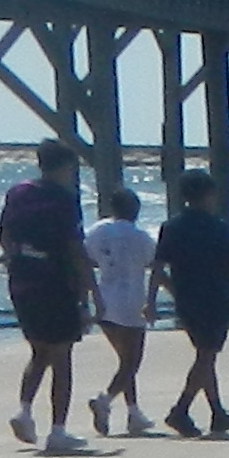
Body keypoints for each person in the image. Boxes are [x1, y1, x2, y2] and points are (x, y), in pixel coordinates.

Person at [0, 143, 94, 453]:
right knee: (61, 355)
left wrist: (15, 263)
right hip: (54, 279)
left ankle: (24, 411)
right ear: (64, 166)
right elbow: (74, 249)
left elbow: (5, 238)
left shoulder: (18, 193)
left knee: (39, 350)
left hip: (23, 277)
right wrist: (88, 292)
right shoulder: (64, 200)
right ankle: (58, 430)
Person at [153, 168, 229, 437]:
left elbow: (159, 268)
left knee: (205, 354)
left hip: (186, 299)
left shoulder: (171, 227)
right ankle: (180, 410)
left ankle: (218, 413)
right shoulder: (216, 227)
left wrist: (155, 299)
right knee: (206, 355)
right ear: (207, 194)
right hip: (215, 297)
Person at [82, 181, 158, 436]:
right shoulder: (142, 238)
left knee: (124, 361)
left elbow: (86, 258)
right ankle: (104, 401)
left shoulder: (97, 231)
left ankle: (134, 412)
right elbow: (154, 266)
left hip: (105, 299)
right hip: (131, 302)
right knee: (131, 362)